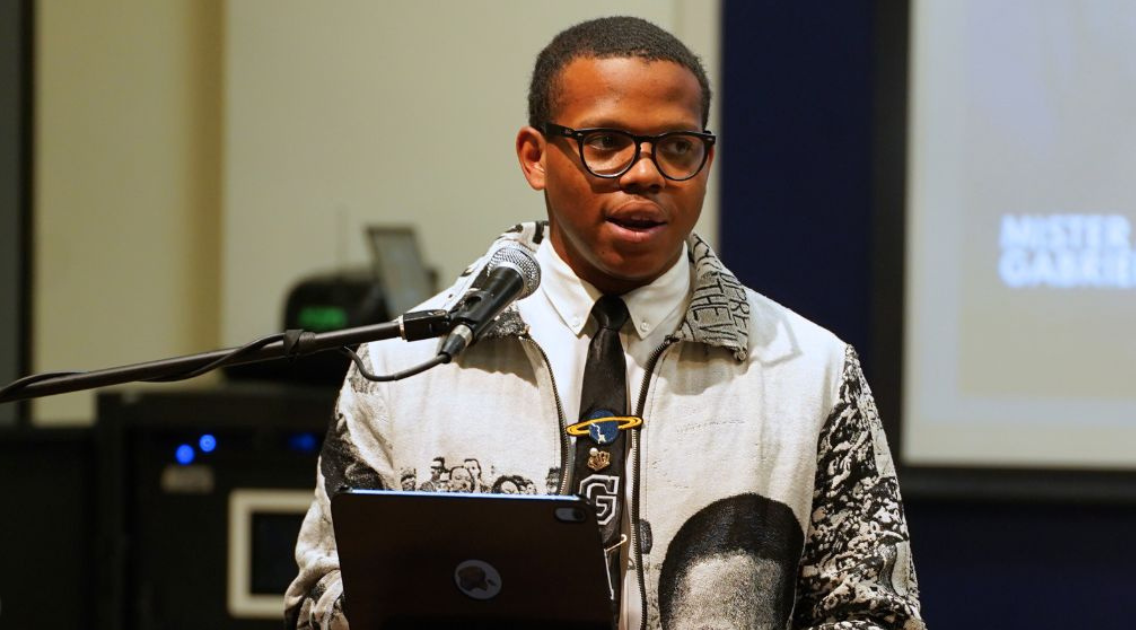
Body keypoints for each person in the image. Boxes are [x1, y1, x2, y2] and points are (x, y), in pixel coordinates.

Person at [286, 16, 923, 630]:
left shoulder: (810, 372)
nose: (645, 173)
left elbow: (874, 612)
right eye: (606, 143)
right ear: (535, 156)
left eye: (678, 147)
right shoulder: (409, 362)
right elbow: (318, 595)